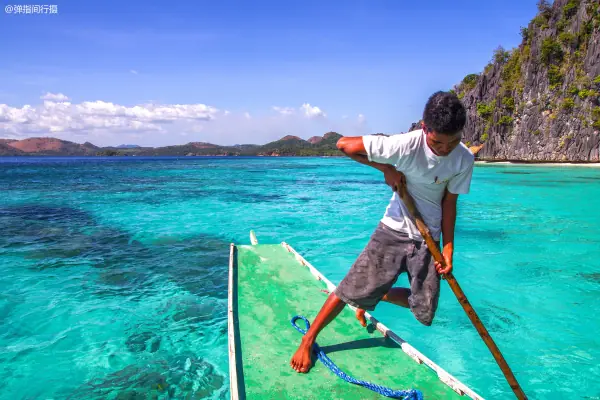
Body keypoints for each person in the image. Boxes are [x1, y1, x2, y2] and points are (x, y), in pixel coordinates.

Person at [290, 91, 475, 373]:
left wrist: (448, 249)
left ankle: (378, 295)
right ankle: (309, 338)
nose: (445, 149)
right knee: (349, 289)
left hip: (429, 239)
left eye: (454, 142)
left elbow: (450, 204)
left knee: (424, 310)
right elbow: (344, 145)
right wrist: (385, 168)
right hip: (393, 230)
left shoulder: (463, 159)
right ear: (425, 128)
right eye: (438, 142)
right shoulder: (405, 145)